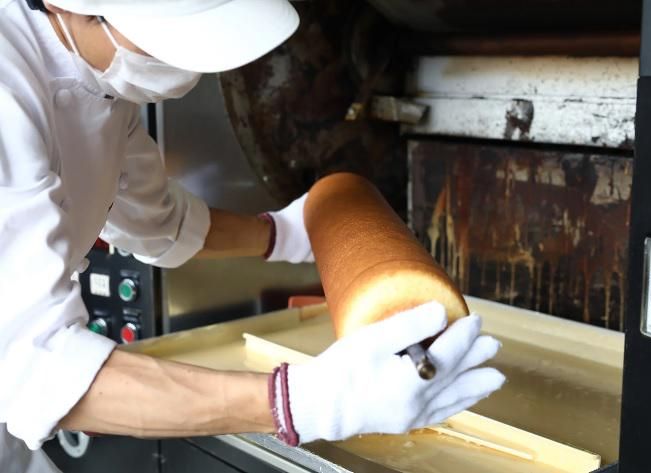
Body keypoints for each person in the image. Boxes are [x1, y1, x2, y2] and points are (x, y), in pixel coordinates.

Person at [0, 0, 506, 471]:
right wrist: (303, 402)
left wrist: (284, 233)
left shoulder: (100, 84)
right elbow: (37, 371)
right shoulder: (9, 87)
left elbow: (157, 220)